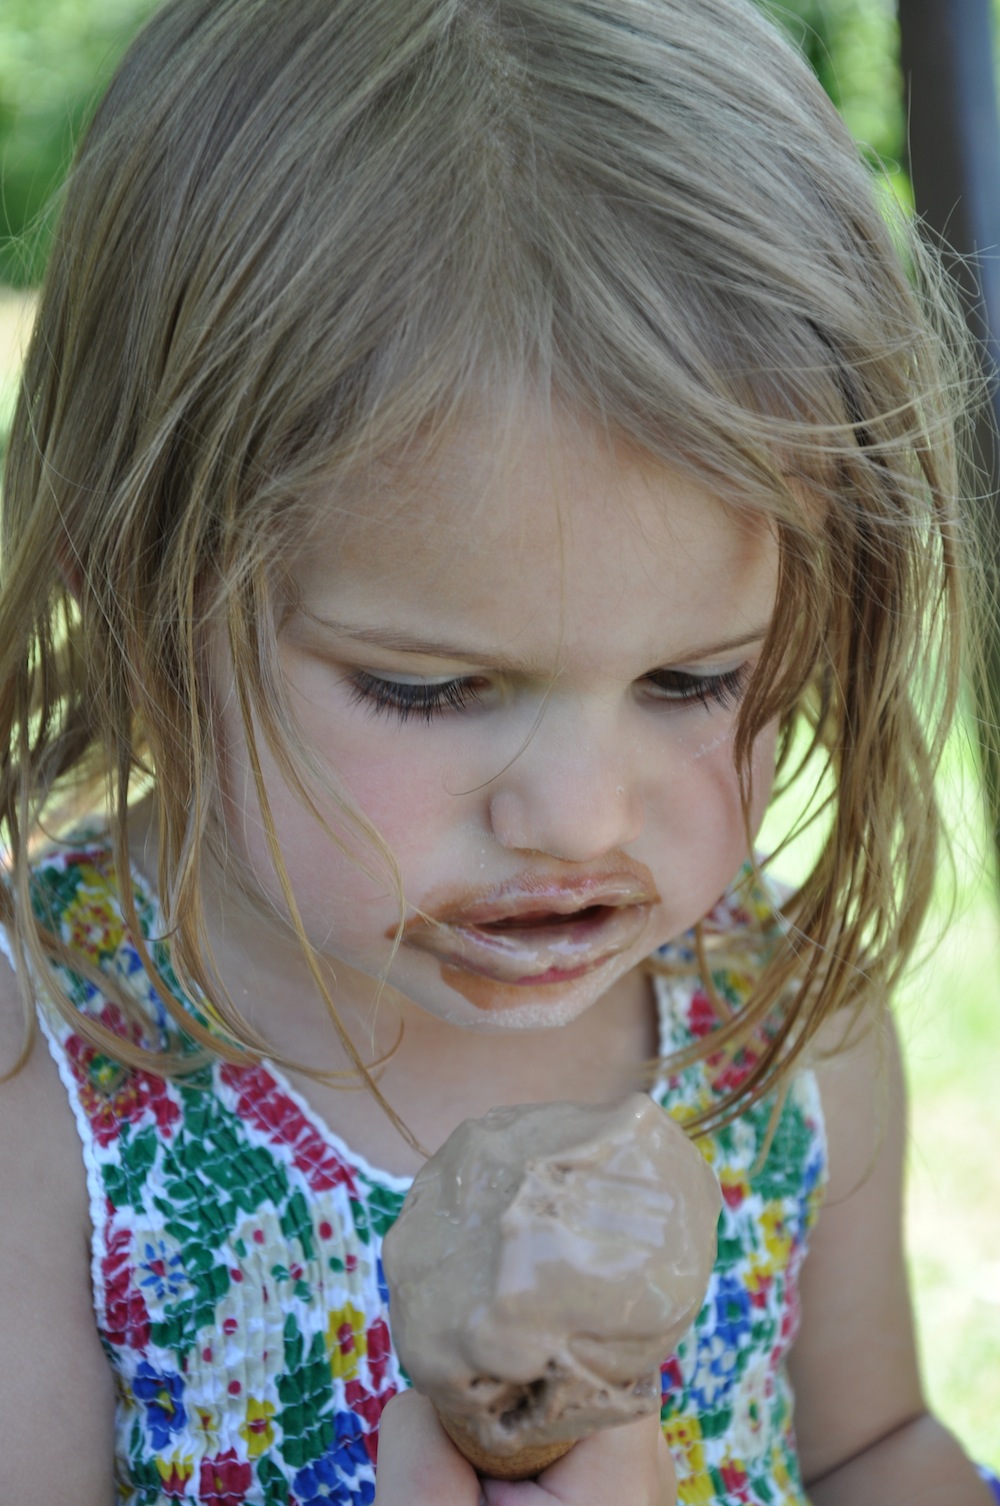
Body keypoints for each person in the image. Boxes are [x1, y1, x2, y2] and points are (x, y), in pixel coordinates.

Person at [0, 0, 995, 1501]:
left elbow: (872, 1445)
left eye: (694, 676)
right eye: (429, 687)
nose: (579, 818)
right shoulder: (45, 1074)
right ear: (133, 584)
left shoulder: (779, 1027)